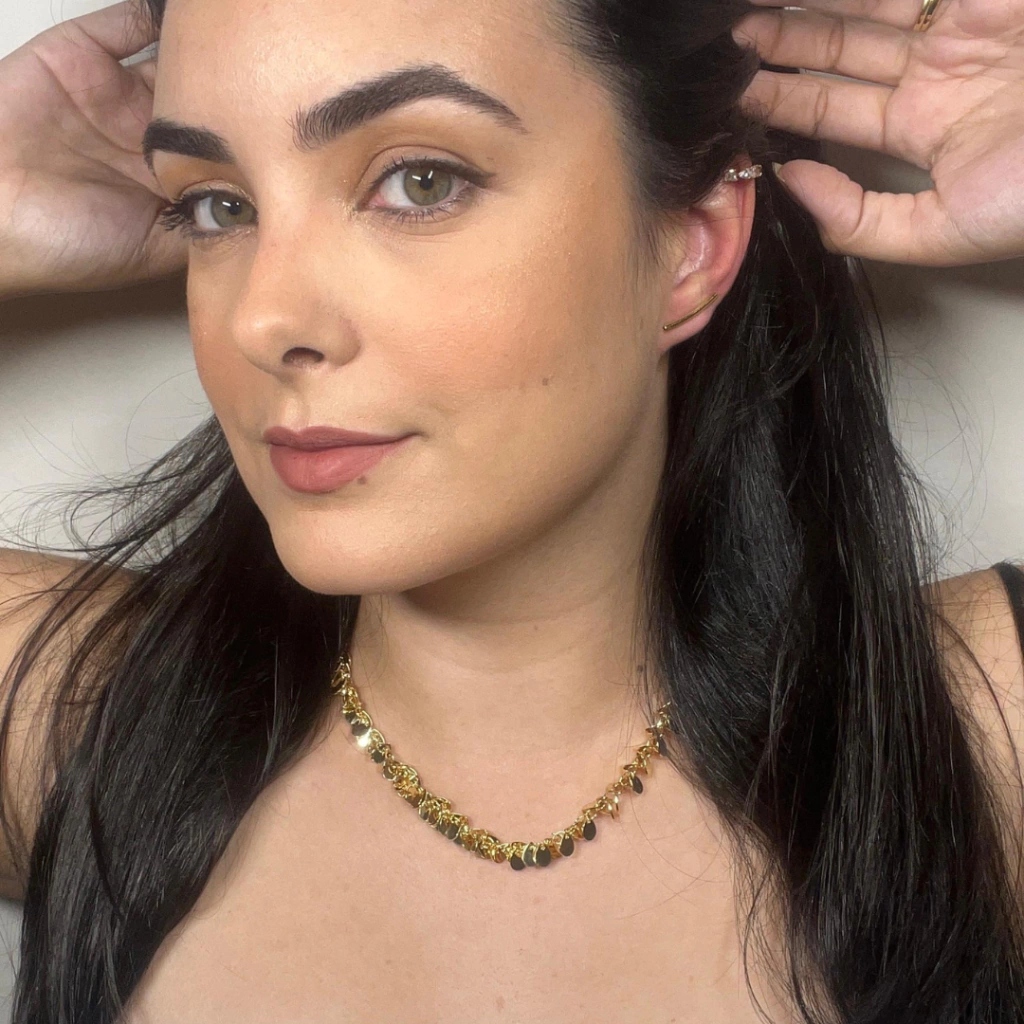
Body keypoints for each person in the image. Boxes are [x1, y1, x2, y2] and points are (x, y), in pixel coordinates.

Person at [0, 0, 1022, 1021]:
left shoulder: (978, 737)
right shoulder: (82, 711)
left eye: (420, 181)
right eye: (218, 206)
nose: (264, 320)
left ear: (691, 245)